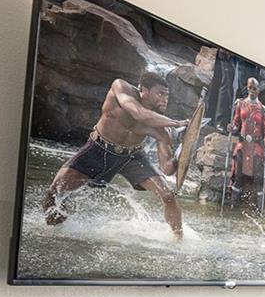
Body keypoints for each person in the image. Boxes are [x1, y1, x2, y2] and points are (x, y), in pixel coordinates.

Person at [41, 70, 187, 238]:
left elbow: (167, 169)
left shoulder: (162, 127)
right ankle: (53, 234)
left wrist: (180, 154)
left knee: (168, 195)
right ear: (144, 90)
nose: (165, 99)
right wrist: (178, 123)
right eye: (160, 94)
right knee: (54, 193)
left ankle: (178, 239)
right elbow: (138, 113)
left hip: (132, 157)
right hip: (98, 149)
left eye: (167, 95)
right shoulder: (121, 87)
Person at [228, 76, 265, 209]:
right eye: (249, 87)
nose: (251, 91)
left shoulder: (263, 109)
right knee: (238, 175)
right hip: (242, 144)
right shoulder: (240, 104)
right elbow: (236, 123)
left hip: (256, 146)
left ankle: (257, 207)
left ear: (258, 90)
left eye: (254, 88)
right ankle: (234, 204)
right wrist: (232, 128)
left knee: (258, 178)